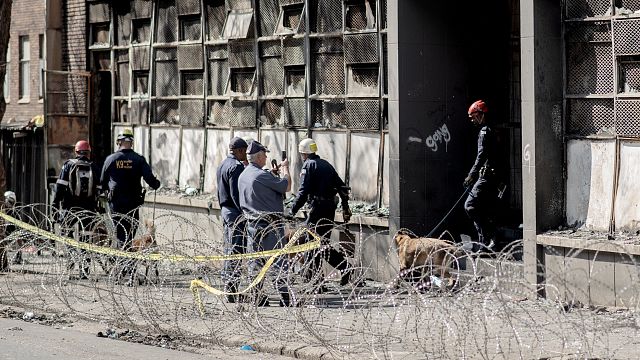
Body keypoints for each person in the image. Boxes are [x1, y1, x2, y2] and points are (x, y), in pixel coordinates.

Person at [289, 138, 353, 291]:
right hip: (329, 209)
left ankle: (316, 281)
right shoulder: (327, 165)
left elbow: (303, 192)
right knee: (321, 243)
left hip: (317, 209)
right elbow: (342, 187)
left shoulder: (308, 166)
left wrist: (292, 210)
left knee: (313, 243)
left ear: (303, 153)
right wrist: (345, 207)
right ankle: (342, 268)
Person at [100, 128, 160, 284]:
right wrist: (156, 183)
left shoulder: (111, 159)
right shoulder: (139, 160)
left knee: (121, 237)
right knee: (129, 236)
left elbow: (102, 181)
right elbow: (152, 182)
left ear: (119, 142)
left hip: (116, 205)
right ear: (131, 142)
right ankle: (129, 271)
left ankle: (124, 271)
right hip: (133, 204)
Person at [238, 141, 293, 306]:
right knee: (278, 262)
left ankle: (257, 297)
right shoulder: (262, 175)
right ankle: (285, 298)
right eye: (265, 155)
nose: (267, 158)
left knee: (256, 262)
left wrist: (271, 174)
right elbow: (286, 186)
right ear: (259, 156)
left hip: (252, 225)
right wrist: (285, 170)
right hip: (270, 226)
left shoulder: (244, 174)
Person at [52, 140, 102, 279]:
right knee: (86, 238)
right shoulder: (94, 167)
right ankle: (84, 271)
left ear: (76, 152)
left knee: (65, 233)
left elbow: (60, 187)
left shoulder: (68, 165)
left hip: (70, 207)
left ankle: (72, 256)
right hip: (89, 209)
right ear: (89, 152)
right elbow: (99, 190)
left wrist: (55, 206)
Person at [463, 100, 503, 251]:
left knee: (470, 206)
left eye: (473, 116)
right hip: (493, 176)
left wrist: (471, 175)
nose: (472, 120)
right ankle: (485, 243)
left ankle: (489, 238)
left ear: (480, 114)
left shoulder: (485, 131)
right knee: (482, 208)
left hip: (487, 176)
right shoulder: (493, 129)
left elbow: (481, 156)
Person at [216, 137, 248, 302]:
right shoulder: (236, 167)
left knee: (229, 248)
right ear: (240, 150)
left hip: (225, 210)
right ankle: (231, 288)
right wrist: (244, 212)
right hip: (235, 212)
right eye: (245, 151)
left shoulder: (223, 164)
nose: (246, 154)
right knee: (236, 250)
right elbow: (236, 194)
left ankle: (229, 285)